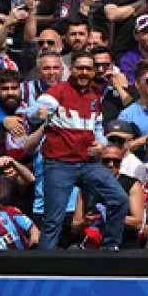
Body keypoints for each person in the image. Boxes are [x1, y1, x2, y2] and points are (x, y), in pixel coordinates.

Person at [31, 52, 130, 250]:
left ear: (93, 71)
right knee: (53, 221)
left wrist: (102, 145)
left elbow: (99, 129)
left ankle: (109, 249)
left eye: (88, 68)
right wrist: (37, 113)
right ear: (71, 70)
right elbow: (35, 110)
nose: (84, 72)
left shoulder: (94, 96)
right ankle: (43, 268)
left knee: (119, 199)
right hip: (59, 164)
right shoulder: (58, 91)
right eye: (79, 68)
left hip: (88, 164)